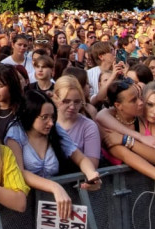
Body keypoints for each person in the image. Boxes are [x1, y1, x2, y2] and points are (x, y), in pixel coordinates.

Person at [5, 91, 102, 219]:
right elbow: (20, 172)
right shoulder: (15, 133)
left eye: (52, 117)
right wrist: (55, 187)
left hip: (56, 208)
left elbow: (80, 158)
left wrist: (91, 174)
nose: (50, 123)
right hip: (25, 212)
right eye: (44, 117)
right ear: (30, 115)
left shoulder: (55, 129)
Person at [51, 76, 101, 163]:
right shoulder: (47, 122)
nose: (72, 107)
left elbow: (93, 164)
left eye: (77, 102)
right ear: (56, 98)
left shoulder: (89, 126)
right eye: (66, 101)